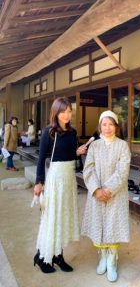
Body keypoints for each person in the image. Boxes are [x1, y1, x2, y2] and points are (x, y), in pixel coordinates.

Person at [33, 97, 87, 274]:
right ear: (56, 113)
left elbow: (71, 155)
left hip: (69, 178)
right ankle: (42, 257)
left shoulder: (72, 132)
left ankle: (58, 255)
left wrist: (78, 152)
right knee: (52, 217)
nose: (67, 115)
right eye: (63, 112)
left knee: (63, 217)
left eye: (69, 111)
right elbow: (41, 160)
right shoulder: (49, 132)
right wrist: (39, 182)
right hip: (55, 179)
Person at [81, 110, 131, 282]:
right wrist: (96, 190)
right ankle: (102, 255)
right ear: (100, 126)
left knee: (113, 225)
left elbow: (123, 170)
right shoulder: (94, 145)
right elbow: (88, 168)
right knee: (99, 224)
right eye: (104, 124)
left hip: (115, 194)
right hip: (96, 194)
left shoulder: (122, 146)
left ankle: (112, 259)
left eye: (111, 124)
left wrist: (108, 190)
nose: (107, 128)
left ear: (116, 127)